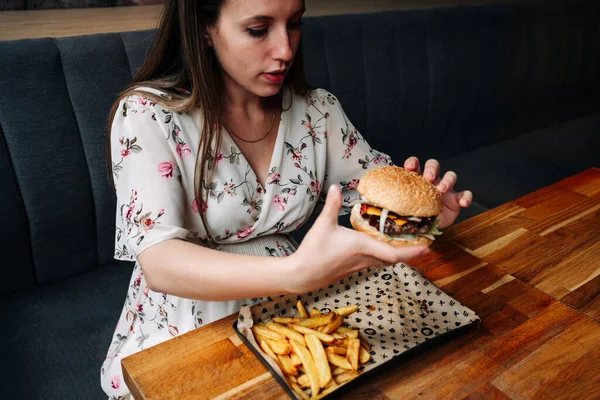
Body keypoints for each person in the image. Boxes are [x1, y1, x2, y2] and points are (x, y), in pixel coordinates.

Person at [100, 0, 473, 398]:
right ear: (205, 28)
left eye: (294, 24)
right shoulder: (147, 114)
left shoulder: (318, 111)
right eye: (259, 30)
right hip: (187, 318)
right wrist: (295, 273)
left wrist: (418, 219)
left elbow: (371, 200)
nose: (285, 50)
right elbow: (160, 262)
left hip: (295, 310)